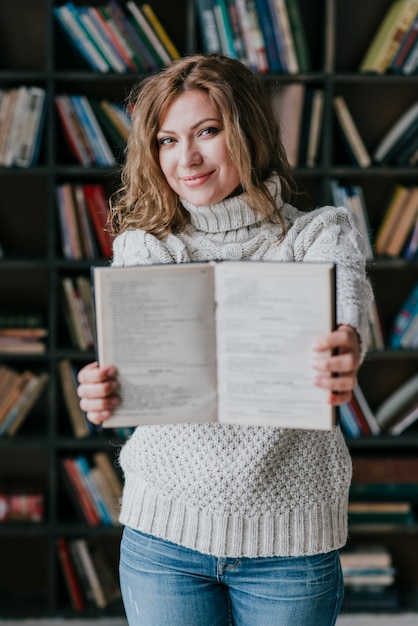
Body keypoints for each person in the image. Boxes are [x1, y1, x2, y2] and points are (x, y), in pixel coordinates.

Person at [77, 54, 373, 626]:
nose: (185, 159)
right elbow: (130, 369)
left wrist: (345, 347)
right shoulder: (146, 246)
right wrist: (104, 389)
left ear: (247, 131)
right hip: (164, 536)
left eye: (206, 132)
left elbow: (346, 307)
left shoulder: (319, 233)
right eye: (167, 140)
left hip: (290, 543)